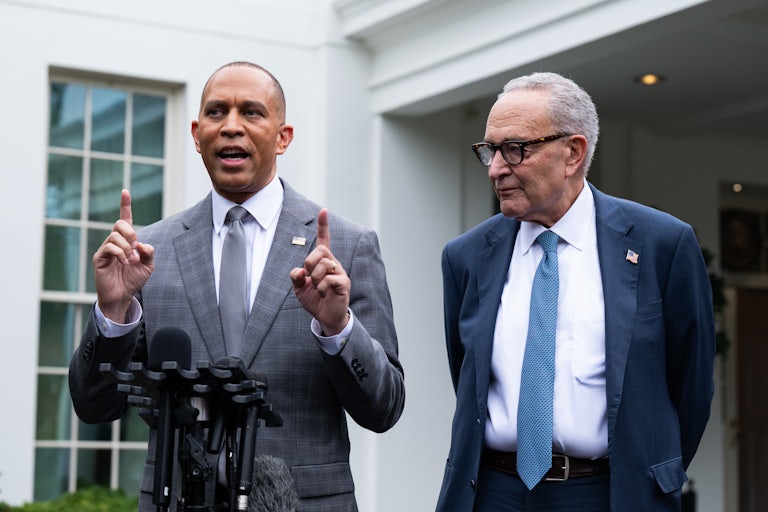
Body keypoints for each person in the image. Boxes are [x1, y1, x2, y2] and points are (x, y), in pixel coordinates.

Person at [69, 61, 405, 512]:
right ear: (196, 133)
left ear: (283, 136)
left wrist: (338, 328)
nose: (231, 127)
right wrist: (112, 313)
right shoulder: (147, 251)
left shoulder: (348, 246)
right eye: (216, 112)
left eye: (251, 112)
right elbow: (94, 406)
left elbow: (383, 409)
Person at [435, 72, 714, 511]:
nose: (496, 168)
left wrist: (655, 472)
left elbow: (691, 385)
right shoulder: (467, 256)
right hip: (491, 492)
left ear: (573, 152)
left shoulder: (662, 244)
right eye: (490, 150)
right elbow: (466, 377)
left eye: (515, 149)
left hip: (608, 493)